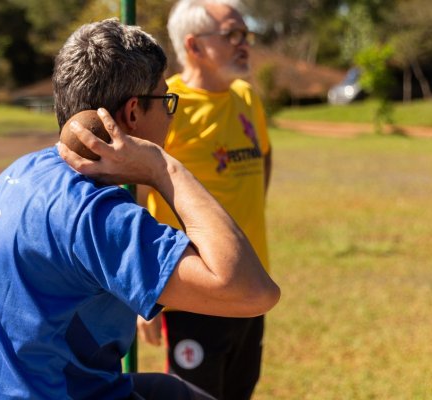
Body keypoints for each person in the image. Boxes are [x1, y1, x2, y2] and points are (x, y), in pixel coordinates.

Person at [0, 18, 279, 399]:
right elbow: (252, 293)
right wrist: (165, 168)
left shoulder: (20, 173)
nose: (170, 114)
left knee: (170, 390)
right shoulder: (94, 213)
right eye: (167, 101)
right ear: (132, 113)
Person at [136, 1, 273, 399]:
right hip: (193, 296)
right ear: (194, 46)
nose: (244, 44)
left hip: (250, 282)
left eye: (246, 34)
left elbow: (263, 155)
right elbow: (137, 196)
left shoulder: (246, 96)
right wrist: (140, 293)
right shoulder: (166, 105)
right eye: (232, 35)